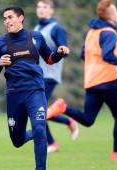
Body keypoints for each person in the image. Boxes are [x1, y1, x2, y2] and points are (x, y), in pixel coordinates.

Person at [47, 0, 117, 160]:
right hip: (109, 80)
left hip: (92, 81)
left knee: (88, 119)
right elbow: (107, 55)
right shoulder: (109, 32)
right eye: (116, 11)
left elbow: (84, 54)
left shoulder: (92, 32)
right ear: (109, 15)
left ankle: (63, 107)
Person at [0, 6, 69, 170]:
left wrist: (59, 52)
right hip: (14, 95)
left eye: (10, 17)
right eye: (5, 19)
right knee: (17, 141)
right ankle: (41, 125)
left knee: (40, 129)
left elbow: (49, 59)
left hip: (35, 91)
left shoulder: (36, 37)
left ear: (21, 18)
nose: (7, 21)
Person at [35, 0, 79, 152]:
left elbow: (63, 46)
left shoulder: (56, 28)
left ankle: (51, 143)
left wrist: (62, 49)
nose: (41, 10)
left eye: (45, 7)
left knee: (38, 111)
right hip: (37, 76)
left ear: (51, 11)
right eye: (39, 7)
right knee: (38, 111)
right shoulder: (37, 28)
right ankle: (67, 120)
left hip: (49, 75)